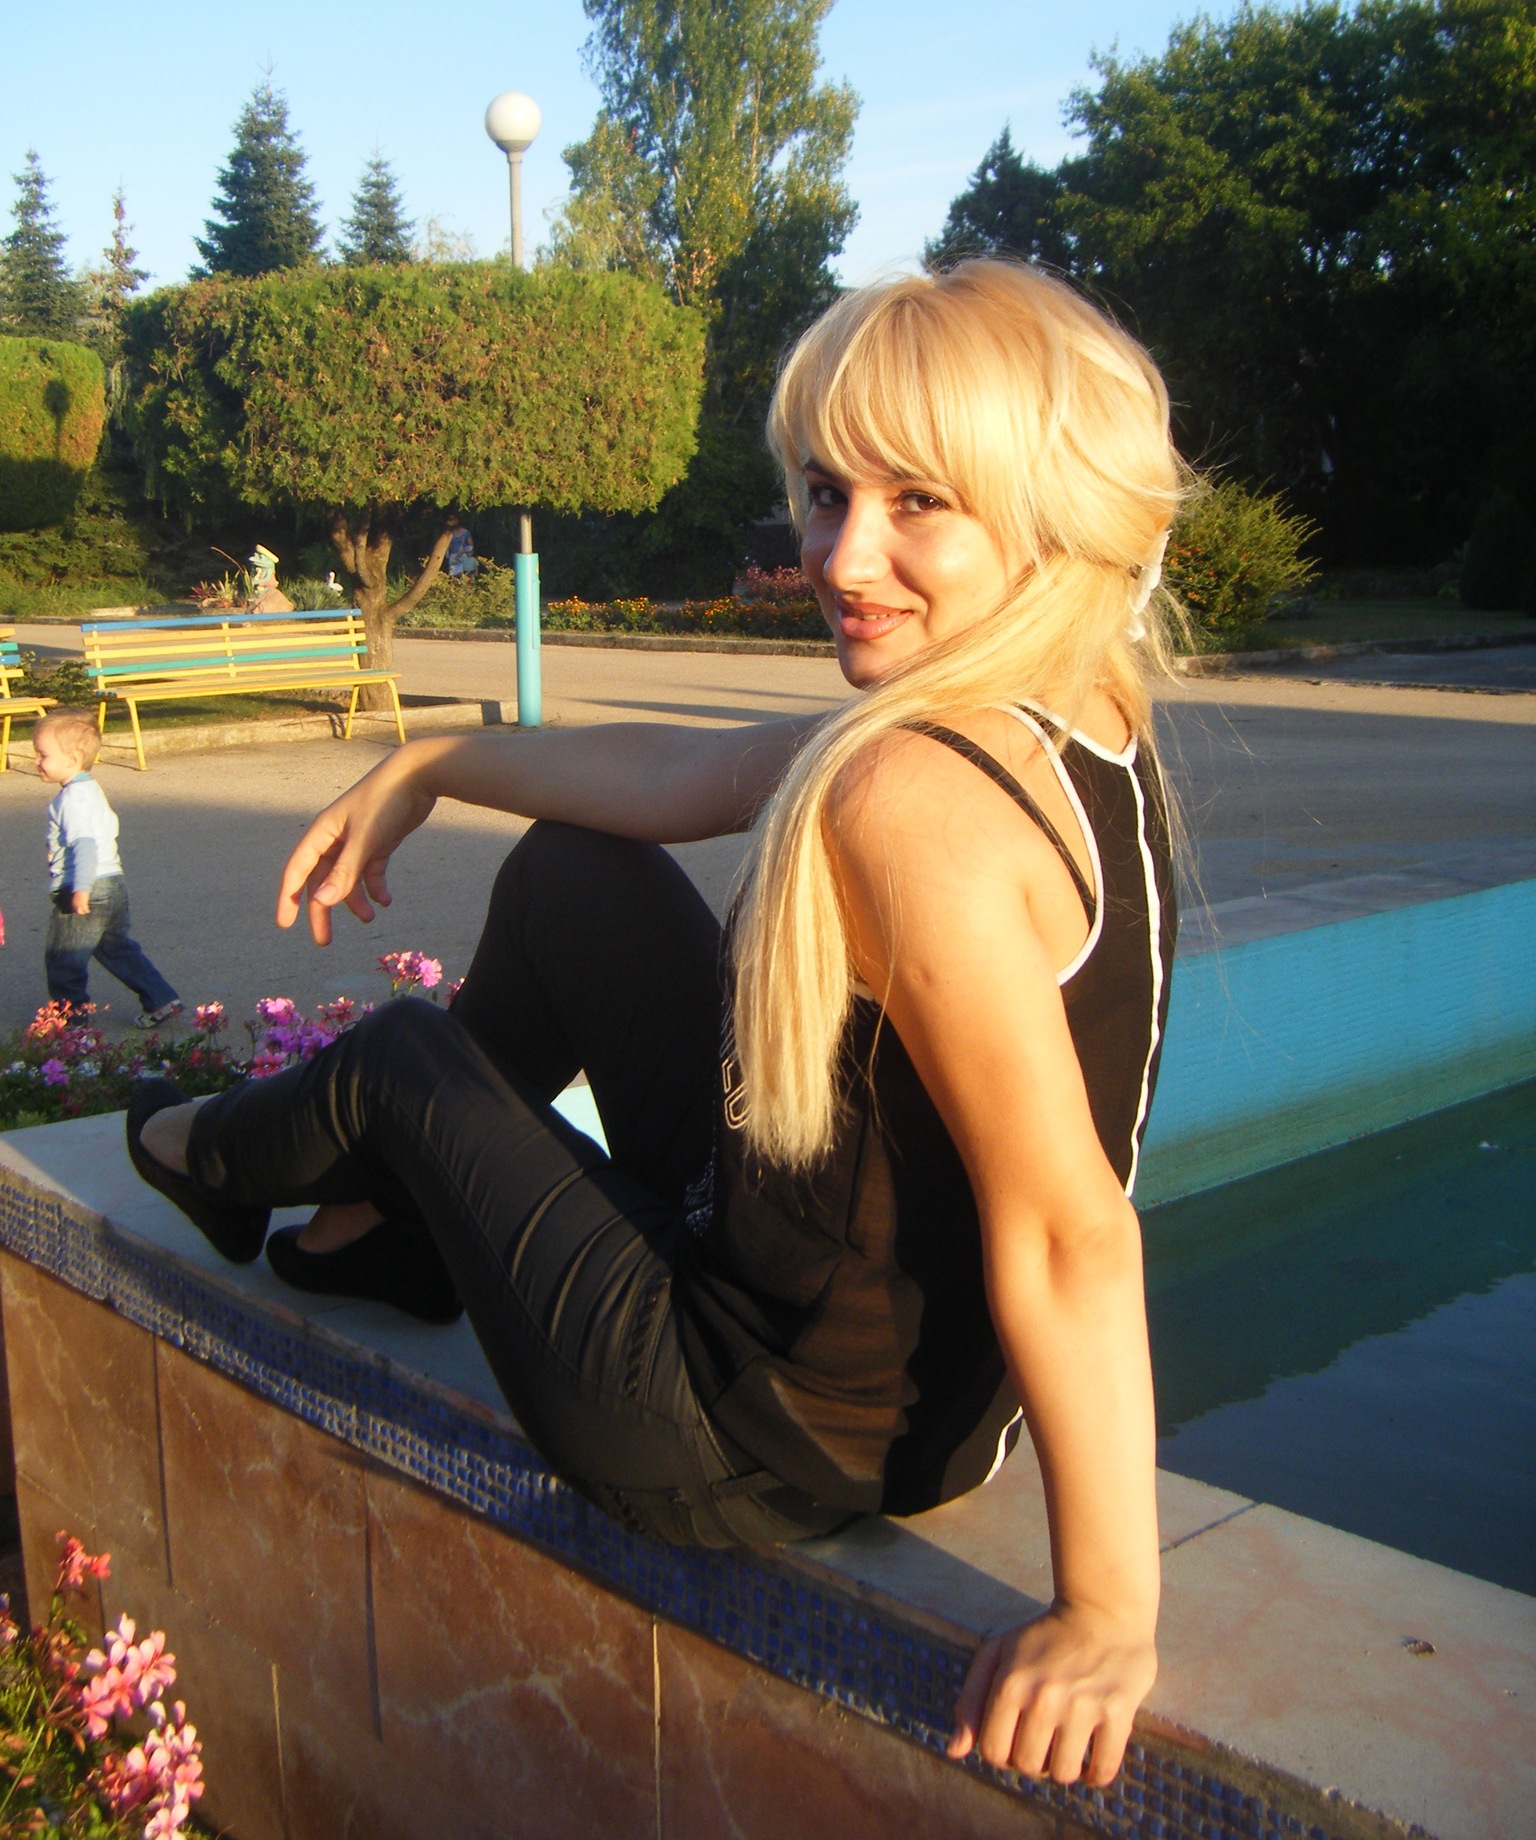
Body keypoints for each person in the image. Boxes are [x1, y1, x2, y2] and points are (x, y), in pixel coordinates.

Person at [128, 260, 1183, 1788]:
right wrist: (429, 766)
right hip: (853, 1336)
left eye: (918, 502)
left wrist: (1109, 1611)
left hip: (742, 1432)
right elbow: (670, 783)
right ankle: (403, 1236)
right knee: (575, 875)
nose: (844, 554)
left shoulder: (913, 801)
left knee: (411, 1061)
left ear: (1051, 509)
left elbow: (1071, 1228)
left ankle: (206, 1160)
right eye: (825, 493)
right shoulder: (1063, 715)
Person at [32, 711, 182, 1027]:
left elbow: (85, 844)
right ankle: (160, 998)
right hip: (112, 884)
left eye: (43, 755)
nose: (36, 761)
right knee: (115, 947)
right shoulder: (90, 789)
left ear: (72, 759)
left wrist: (81, 888)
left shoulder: (71, 799)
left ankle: (70, 1025)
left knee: (64, 958)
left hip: (85, 886)